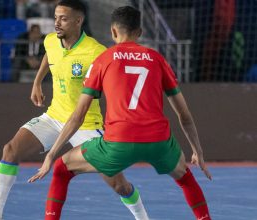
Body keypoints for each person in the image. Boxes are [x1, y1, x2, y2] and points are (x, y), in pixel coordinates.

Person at [28, 6, 212, 220]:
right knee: (185, 179)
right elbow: (184, 115)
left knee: (61, 169)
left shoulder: (103, 60)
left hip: (118, 143)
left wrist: (51, 155)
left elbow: (78, 116)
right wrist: (197, 151)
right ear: (140, 32)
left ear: (113, 32)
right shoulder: (156, 59)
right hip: (158, 142)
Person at [0, 1, 148, 220]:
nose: (57, 23)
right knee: (10, 150)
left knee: (119, 185)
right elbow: (49, 55)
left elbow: (116, 86)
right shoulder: (51, 40)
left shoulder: (95, 52)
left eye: (63, 18)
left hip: (86, 125)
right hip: (54, 117)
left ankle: (143, 217)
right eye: (55, 18)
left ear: (78, 21)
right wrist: (37, 81)